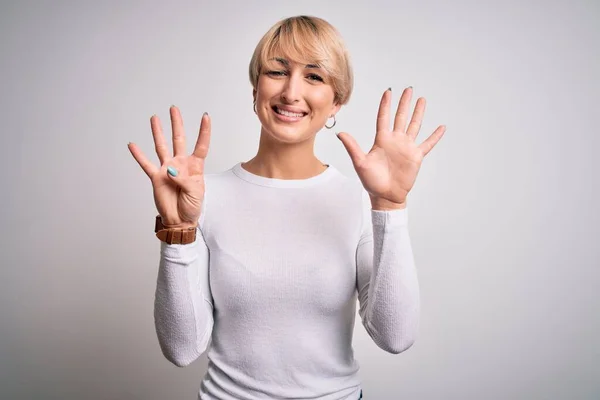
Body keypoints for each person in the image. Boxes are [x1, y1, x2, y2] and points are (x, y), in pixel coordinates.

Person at [128, 15, 445, 400]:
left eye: (314, 77)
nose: (291, 92)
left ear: (336, 103)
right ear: (256, 89)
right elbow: (181, 350)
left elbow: (396, 337)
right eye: (277, 71)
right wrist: (177, 231)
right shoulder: (201, 197)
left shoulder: (359, 203)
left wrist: (390, 206)